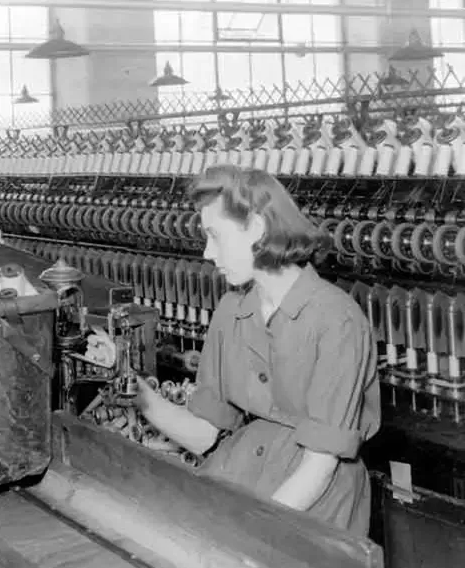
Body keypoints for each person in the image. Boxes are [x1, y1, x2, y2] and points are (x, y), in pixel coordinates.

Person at [135, 164, 381, 536]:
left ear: (257, 228)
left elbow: (319, 466)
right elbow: (204, 433)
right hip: (241, 480)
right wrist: (136, 394)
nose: (206, 252)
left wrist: (252, 533)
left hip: (311, 505)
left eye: (215, 237)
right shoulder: (232, 309)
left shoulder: (337, 320)